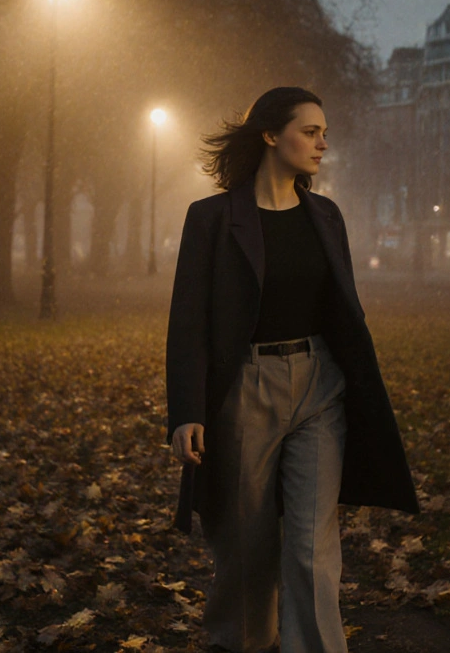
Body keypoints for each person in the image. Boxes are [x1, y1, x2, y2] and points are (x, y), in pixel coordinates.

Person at [166, 87, 419, 653]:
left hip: (319, 388)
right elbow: (188, 323)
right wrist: (185, 412)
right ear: (269, 135)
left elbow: (343, 310)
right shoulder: (210, 219)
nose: (323, 143)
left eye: (325, 132)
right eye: (311, 131)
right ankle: (243, 643)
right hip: (245, 391)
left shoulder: (325, 215)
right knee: (247, 548)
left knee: (312, 548)